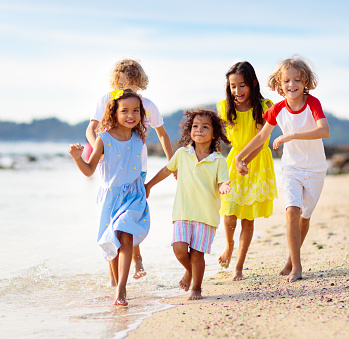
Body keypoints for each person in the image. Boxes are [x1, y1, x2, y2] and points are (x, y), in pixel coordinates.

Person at [235, 57, 330, 282]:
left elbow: (324, 130)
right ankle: (297, 267)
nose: (292, 84)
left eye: (297, 79)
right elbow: (261, 136)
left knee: (304, 217)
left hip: (315, 168)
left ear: (305, 81)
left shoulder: (312, 103)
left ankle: (291, 259)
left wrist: (292, 135)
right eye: (286, 80)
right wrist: (241, 156)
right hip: (291, 168)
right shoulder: (277, 109)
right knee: (291, 212)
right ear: (279, 83)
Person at [86, 58, 173, 281]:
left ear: (139, 84)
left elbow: (162, 133)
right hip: (111, 170)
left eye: (131, 86)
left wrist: (172, 161)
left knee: (129, 216)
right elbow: (91, 129)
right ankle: (115, 279)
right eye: (121, 85)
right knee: (111, 223)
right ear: (114, 84)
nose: (125, 90)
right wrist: (100, 148)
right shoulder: (107, 100)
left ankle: (136, 258)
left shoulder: (146, 105)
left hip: (137, 168)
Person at [69, 90, 150, 306]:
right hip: (109, 199)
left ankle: (121, 290)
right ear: (114, 113)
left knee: (126, 235)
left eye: (135, 110)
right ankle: (115, 282)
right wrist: (78, 158)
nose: (130, 115)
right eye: (125, 111)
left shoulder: (139, 138)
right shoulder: (103, 139)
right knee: (111, 243)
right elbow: (89, 171)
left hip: (133, 196)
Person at [145, 109, 231, 300]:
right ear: (189, 130)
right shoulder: (182, 154)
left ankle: (197, 288)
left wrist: (224, 186)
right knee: (179, 248)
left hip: (206, 215)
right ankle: (189, 271)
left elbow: (222, 181)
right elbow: (166, 170)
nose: (199, 130)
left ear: (214, 133)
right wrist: (148, 185)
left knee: (197, 254)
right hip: (183, 212)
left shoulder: (218, 160)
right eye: (195, 126)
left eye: (205, 127)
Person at [216, 61, 278, 280]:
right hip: (234, 160)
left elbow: (261, 141)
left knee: (248, 217)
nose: (237, 91)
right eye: (233, 86)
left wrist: (245, 161)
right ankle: (229, 246)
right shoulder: (224, 107)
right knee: (229, 208)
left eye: (242, 85)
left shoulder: (265, 105)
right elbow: (217, 139)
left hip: (257, 162)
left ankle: (239, 266)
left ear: (252, 84)